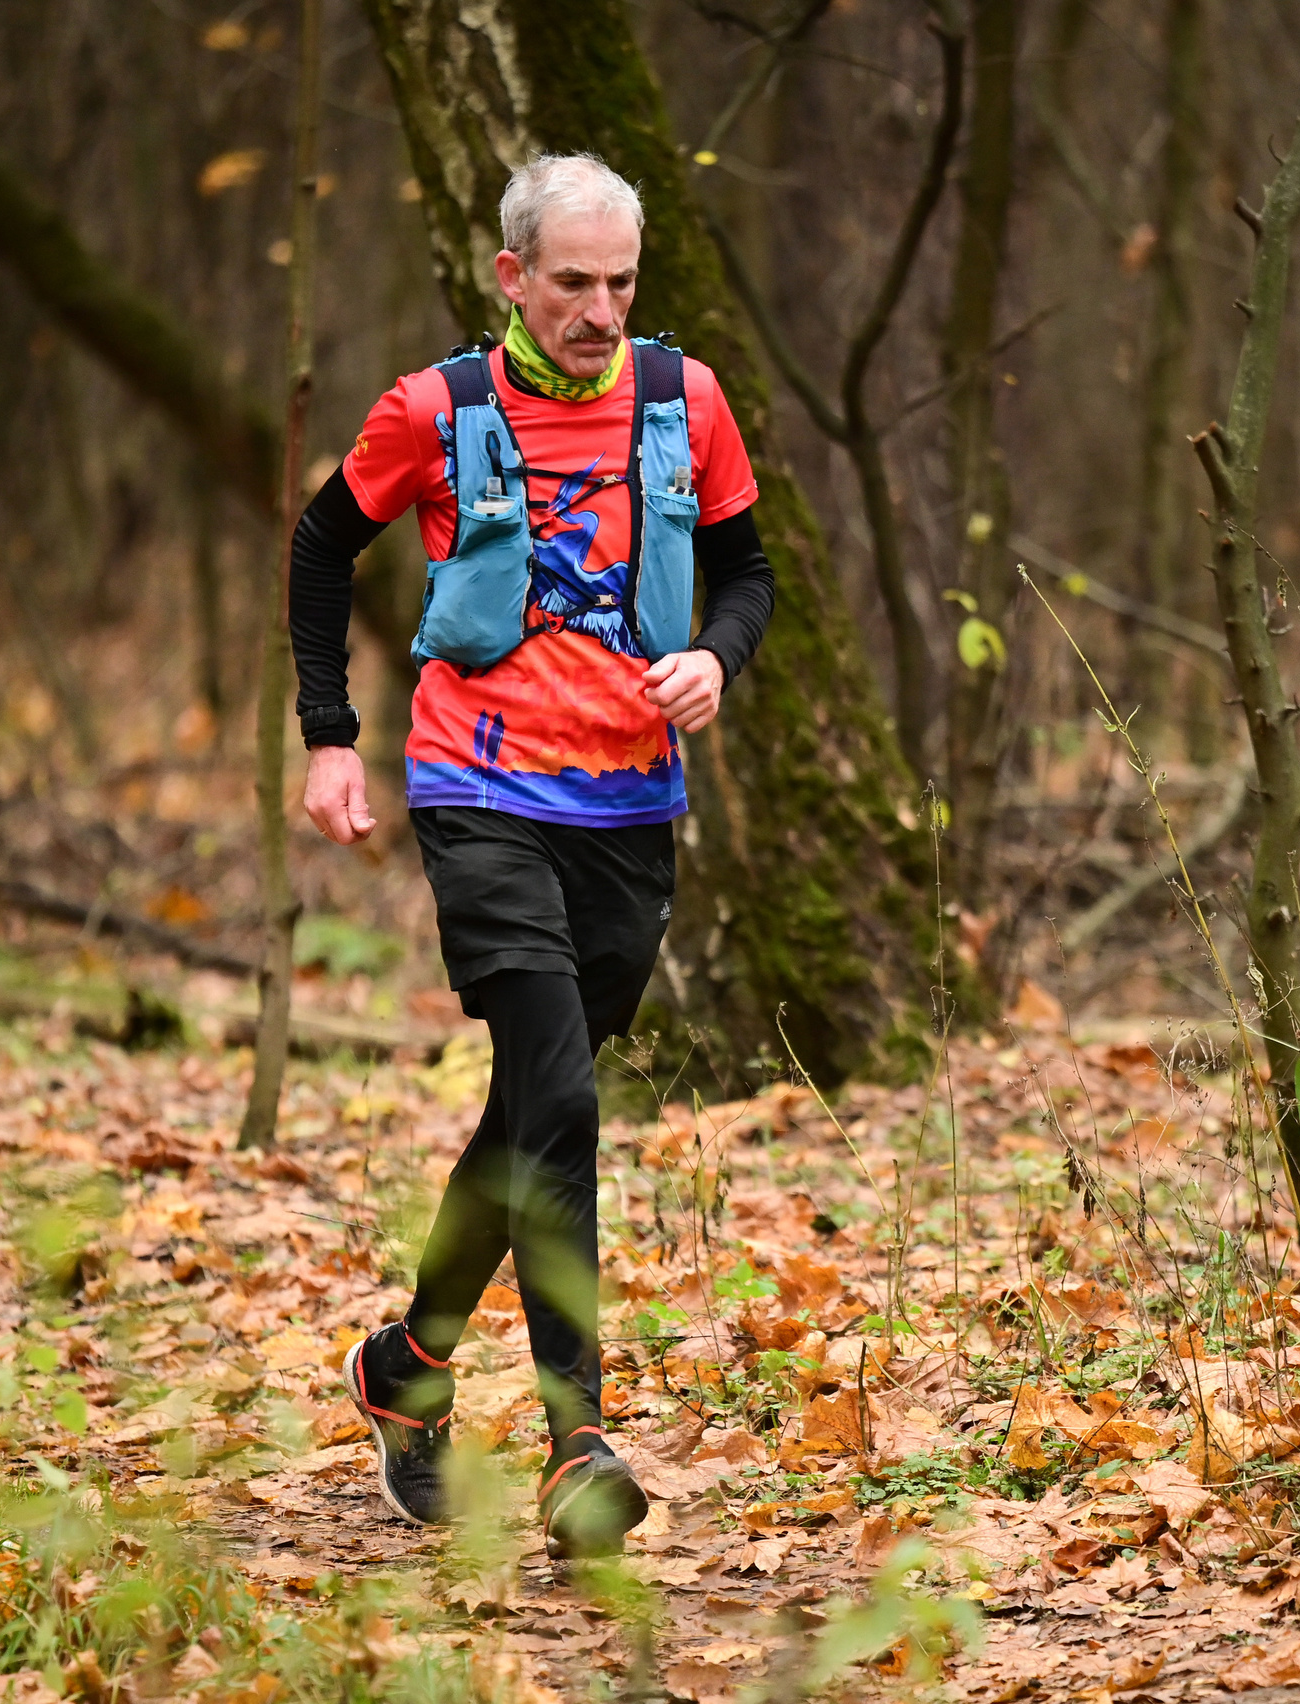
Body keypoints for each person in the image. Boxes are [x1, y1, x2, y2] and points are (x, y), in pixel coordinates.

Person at [288, 153, 775, 1557]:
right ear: (512, 275)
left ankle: (409, 1366)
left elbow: (747, 575)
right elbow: (325, 546)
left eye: (622, 284)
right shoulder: (433, 410)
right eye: (573, 284)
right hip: (481, 790)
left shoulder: (687, 402)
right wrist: (332, 735)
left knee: (532, 1112)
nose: (601, 311)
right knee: (559, 1091)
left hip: (630, 810)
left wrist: (714, 661)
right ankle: (579, 1439)